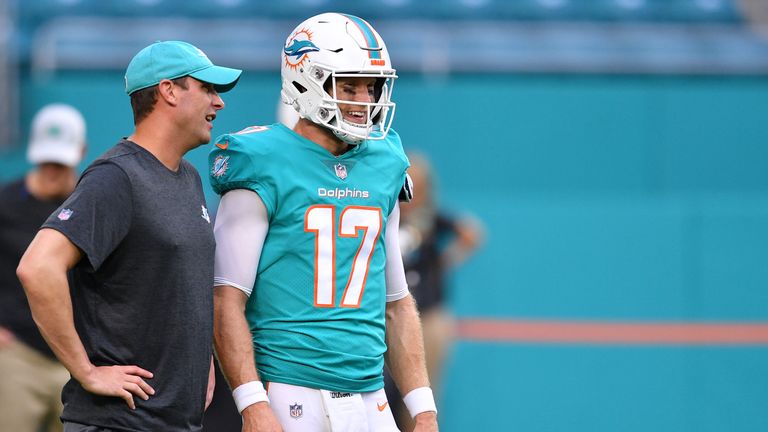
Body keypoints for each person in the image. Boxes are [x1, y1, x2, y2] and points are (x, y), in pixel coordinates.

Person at [208, 13, 439, 432]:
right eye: (348, 85)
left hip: (371, 395)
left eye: (370, 87)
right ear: (305, 80)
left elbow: (397, 302)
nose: (364, 100)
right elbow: (226, 299)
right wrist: (252, 403)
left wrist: (423, 410)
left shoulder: (384, 161)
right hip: (289, 389)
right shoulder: (263, 159)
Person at [16, 40, 241, 432]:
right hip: (118, 422)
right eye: (206, 88)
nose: (218, 102)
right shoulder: (116, 177)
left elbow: (179, 281)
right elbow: (38, 267)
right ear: (168, 91)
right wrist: (86, 371)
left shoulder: (187, 177)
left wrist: (200, 359)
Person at [0, 103, 86, 432]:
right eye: (47, 160)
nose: (53, 169)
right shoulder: (5, 204)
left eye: (60, 161)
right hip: (18, 354)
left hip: (77, 358)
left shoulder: (92, 203)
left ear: (80, 151)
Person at [384, 153, 484, 431]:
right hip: (385, 317)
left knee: (419, 401)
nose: (411, 191)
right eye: (406, 182)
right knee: (381, 396)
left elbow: (473, 233)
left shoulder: (429, 219)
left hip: (427, 317)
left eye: (418, 184)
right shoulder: (384, 212)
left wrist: (444, 261)